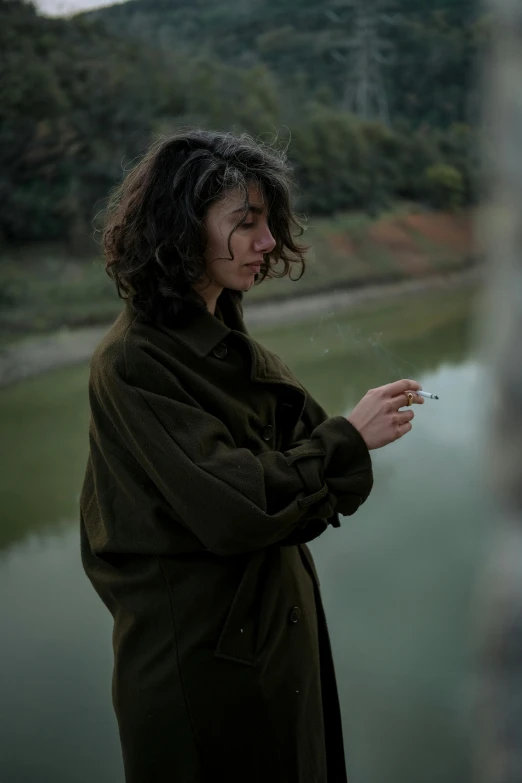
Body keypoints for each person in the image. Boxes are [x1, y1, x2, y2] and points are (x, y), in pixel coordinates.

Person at [80, 129, 423, 783]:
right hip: (205, 671)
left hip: (273, 643)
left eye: (269, 223)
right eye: (247, 224)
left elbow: (331, 485)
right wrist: (344, 438)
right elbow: (235, 505)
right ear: (182, 231)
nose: (268, 243)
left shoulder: (231, 341)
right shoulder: (135, 362)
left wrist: (331, 453)